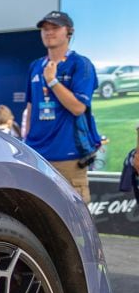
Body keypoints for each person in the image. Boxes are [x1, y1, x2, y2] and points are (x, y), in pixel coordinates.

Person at [21, 10, 100, 202]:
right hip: (37, 156)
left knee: (74, 222)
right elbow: (31, 107)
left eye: (55, 28)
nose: (49, 32)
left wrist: (52, 81)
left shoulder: (80, 65)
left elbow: (78, 107)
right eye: (45, 29)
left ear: (69, 32)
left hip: (69, 158)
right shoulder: (35, 66)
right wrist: (26, 142)